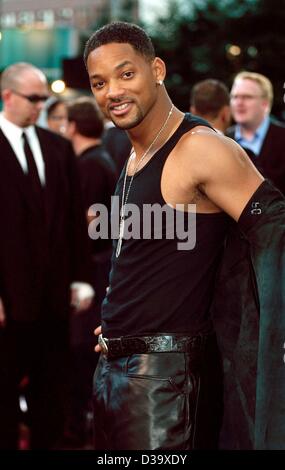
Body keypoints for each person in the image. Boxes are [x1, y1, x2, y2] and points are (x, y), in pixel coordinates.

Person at [84, 22, 285, 450]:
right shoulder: (136, 154)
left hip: (165, 384)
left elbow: (274, 232)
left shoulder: (200, 148)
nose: (113, 92)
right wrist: (119, 319)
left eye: (126, 74)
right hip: (115, 371)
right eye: (99, 83)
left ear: (156, 69)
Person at [0, 62, 93, 449]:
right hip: (6, 303)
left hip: (55, 301)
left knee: (51, 398)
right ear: (8, 96)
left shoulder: (57, 147)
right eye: (34, 98)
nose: (41, 106)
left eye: (44, 99)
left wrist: (82, 277)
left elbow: (73, 217)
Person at [64, 96, 117, 446]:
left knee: (81, 355)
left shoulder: (89, 165)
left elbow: (86, 222)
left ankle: (79, 427)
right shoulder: (104, 160)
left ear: (71, 126)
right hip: (101, 269)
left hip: (94, 271)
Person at [227, 71, 285, 194]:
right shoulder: (222, 140)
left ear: (265, 104)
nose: (239, 103)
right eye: (235, 97)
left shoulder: (282, 138)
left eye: (247, 97)